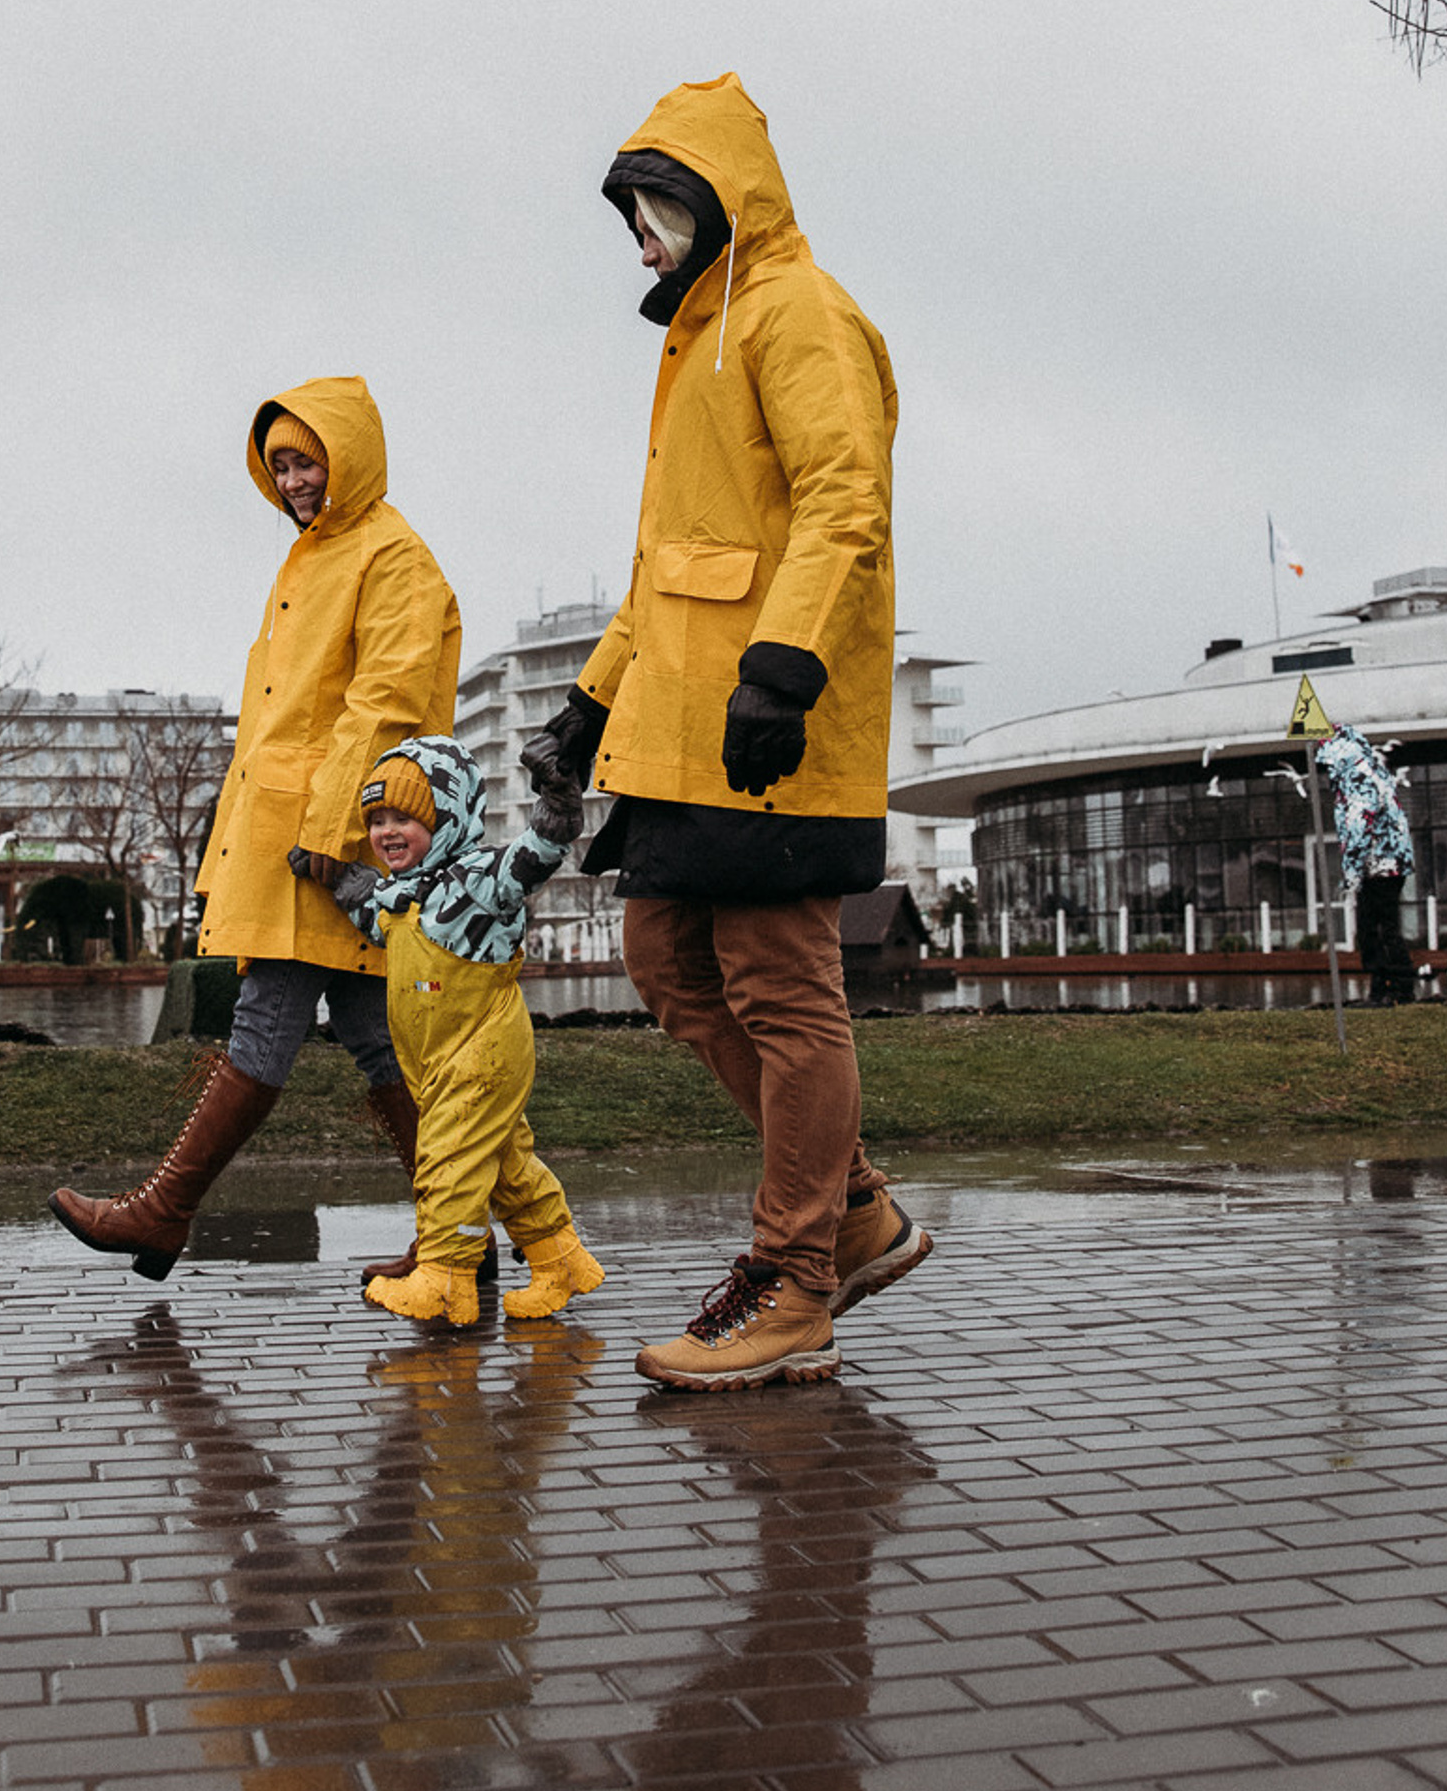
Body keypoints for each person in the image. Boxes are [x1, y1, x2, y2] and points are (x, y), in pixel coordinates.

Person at [522, 72, 930, 1394]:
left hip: (767, 721)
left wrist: (785, 665)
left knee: (779, 986)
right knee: (664, 960)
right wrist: (588, 704)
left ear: (712, 203)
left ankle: (797, 1280)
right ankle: (850, 1207)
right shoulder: (699, 336)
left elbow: (845, 500)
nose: (640, 244)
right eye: (631, 222)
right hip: (684, 726)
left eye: (652, 215)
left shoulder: (797, 311)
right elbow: (669, 569)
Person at [50, 377, 462, 1279]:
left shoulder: (392, 556)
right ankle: (461, 1237)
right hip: (299, 831)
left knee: (270, 1021)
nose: (293, 481)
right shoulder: (316, 558)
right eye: (279, 466)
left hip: (325, 838)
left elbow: (387, 702)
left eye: (307, 461)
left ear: (348, 458)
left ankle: (163, 1212)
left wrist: (331, 826)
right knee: (378, 1034)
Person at [293, 734, 608, 1327]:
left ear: (447, 817)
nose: (387, 831)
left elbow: (535, 854)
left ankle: (444, 1279)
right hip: (438, 1059)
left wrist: (559, 806)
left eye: (405, 818)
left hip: (481, 1051)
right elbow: (373, 916)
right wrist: (335, 878)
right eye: (377, 819)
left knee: (448, 1159)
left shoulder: (479, 879)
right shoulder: (400, 895)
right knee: (507, 1166)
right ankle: (560, 1261)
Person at [1316, 723, 1417, 1003]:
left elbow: (1360, 824)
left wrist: (1351, 873)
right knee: (1380, 926)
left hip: (1380, 864)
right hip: (1388, 861)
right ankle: (1389, 987)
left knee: (1375, 927)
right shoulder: (1370, 771)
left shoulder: (1358, 777)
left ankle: (1394, 987)